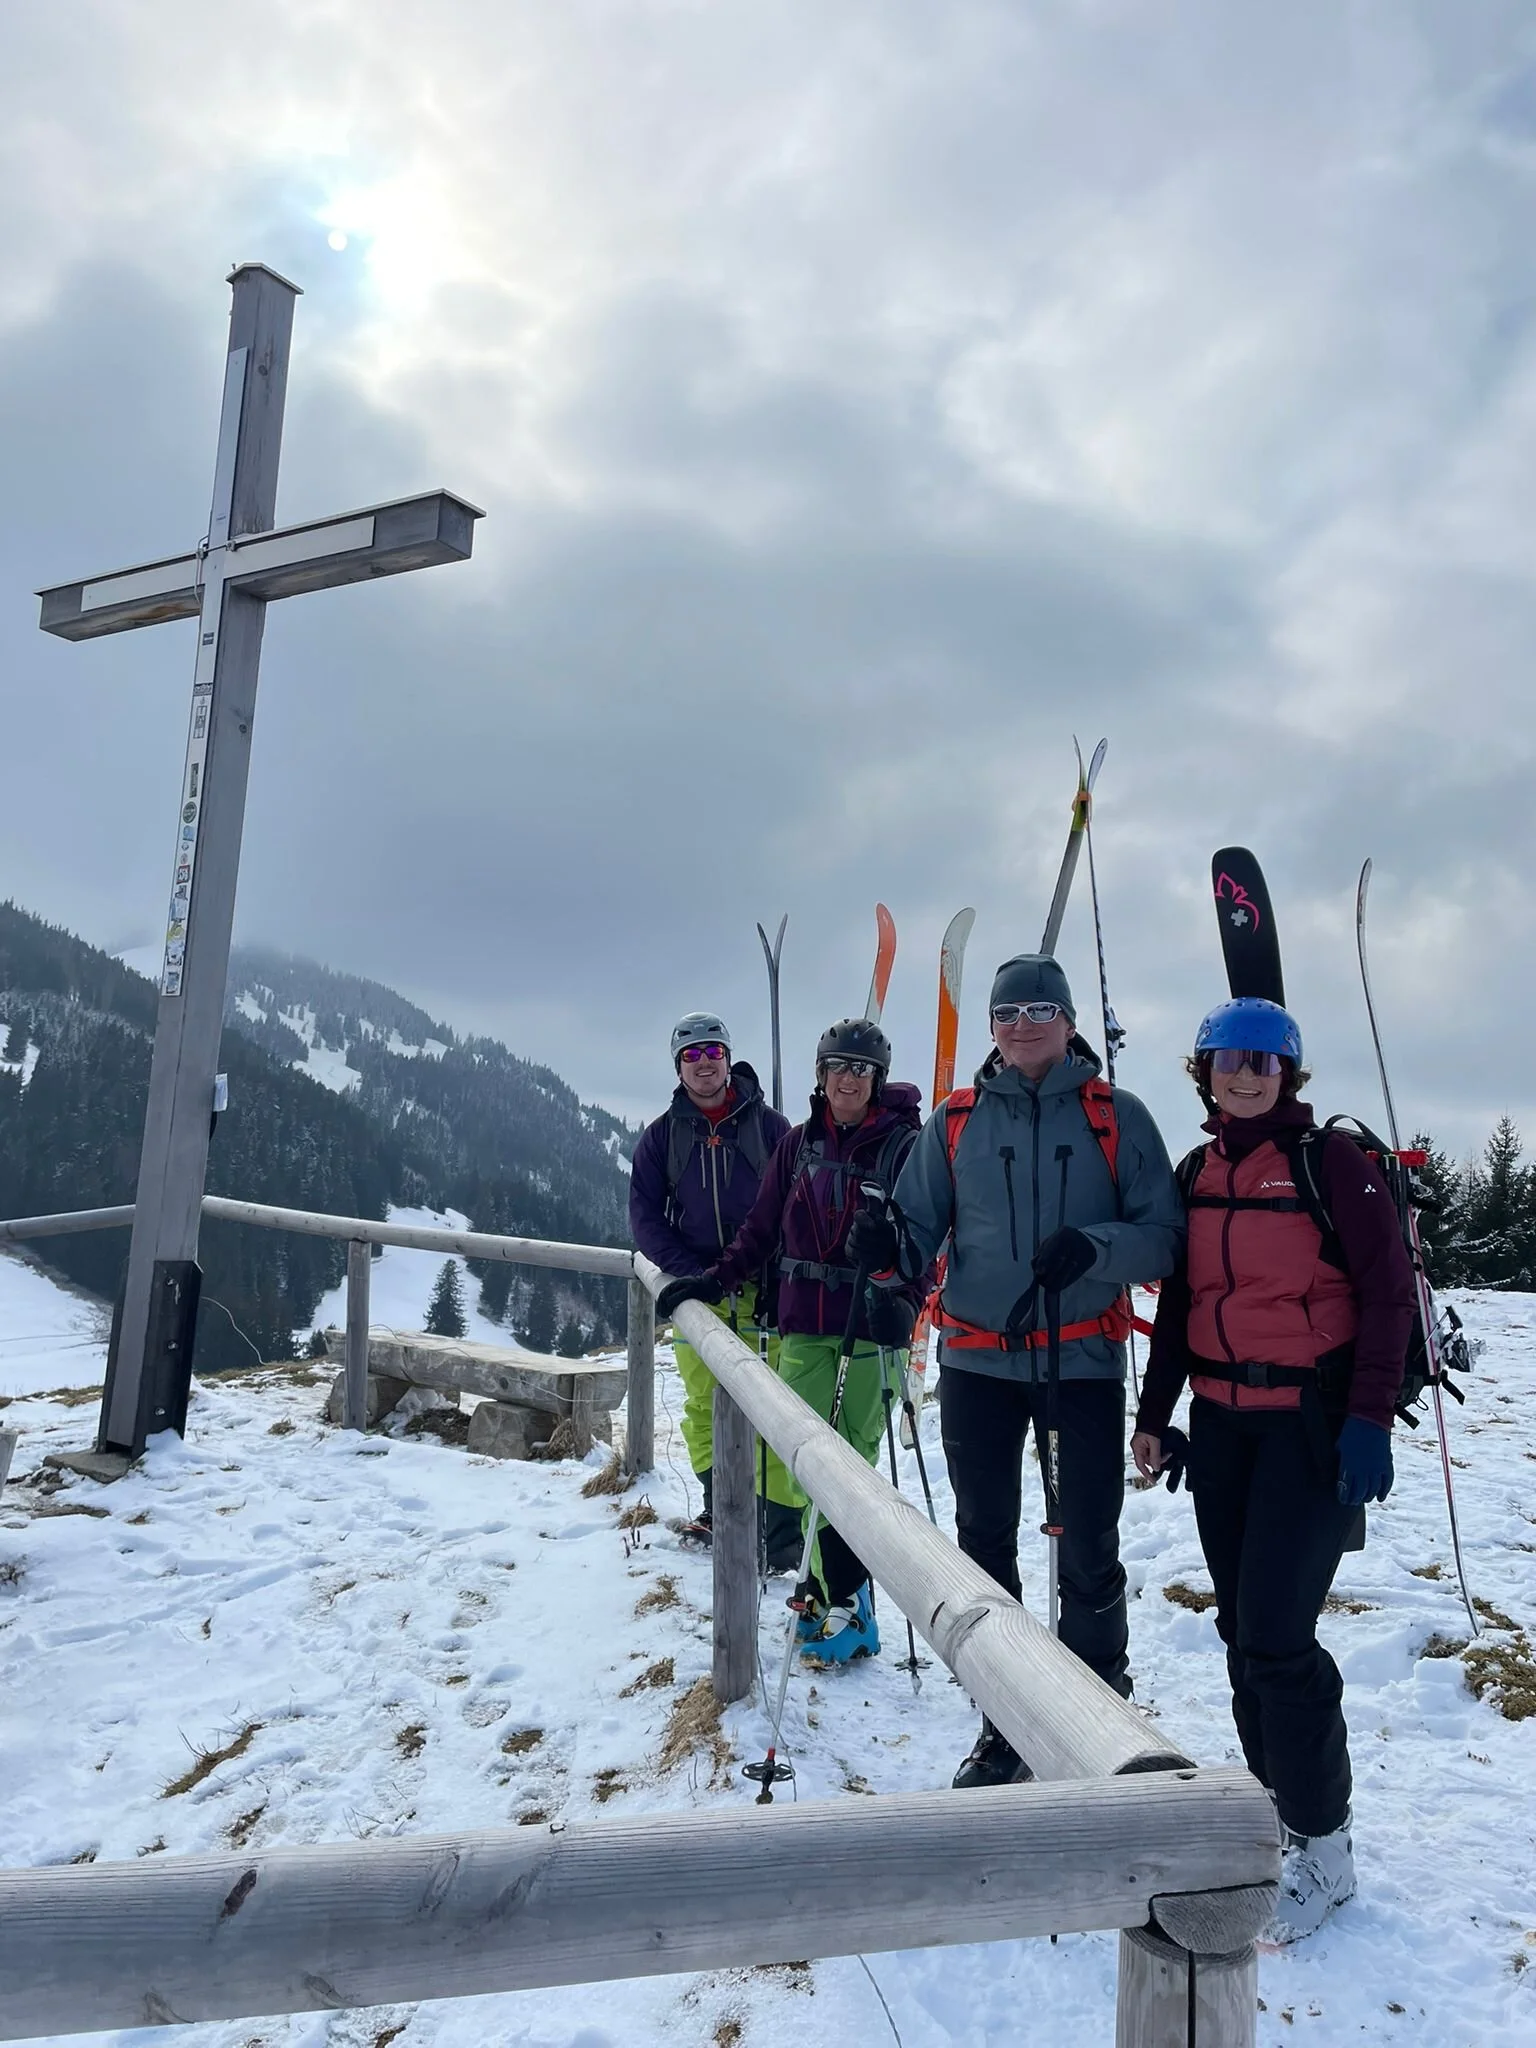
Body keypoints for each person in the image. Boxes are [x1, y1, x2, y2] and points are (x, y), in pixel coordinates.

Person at [851, 954, 1182, 1784]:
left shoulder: (1118, 1117)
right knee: (983, 1545)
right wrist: (888, 1253)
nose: (1024, 1024)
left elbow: (1166, 1237)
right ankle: (1007, 1723)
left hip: (1083, 1364)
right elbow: (918, 1233)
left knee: (1090, 1543)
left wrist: (1096, 1249)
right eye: (1007, 1013)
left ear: (1069, 1021)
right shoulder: (958, 1123)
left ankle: (1101, 1705)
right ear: (992, 1029)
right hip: (977, 1366)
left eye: (1041, 1009)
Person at [1131, 996, 1413, 1943]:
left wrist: (1368, 1420)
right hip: (1219, 1428)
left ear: (1288, 1072)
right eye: (1225, 1059)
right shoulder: (1197, 1168)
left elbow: (1385, 1298)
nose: (1243, 1073)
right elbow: (1179, 1305)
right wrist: (1156, 1415)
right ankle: (1275, 1810)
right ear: (1202, 1072)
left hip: (1309, 1426)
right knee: (1241, 1633)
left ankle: (1325, 1850)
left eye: (1262, 1059)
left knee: (1281, 1642)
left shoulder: (1332, 1165)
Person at [657, 1018, 928, 1665]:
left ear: (878, 1077)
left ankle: (850, 1605)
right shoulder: (801, 1146)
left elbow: (928, 1240)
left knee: (850, 1465)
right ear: (820, 1072)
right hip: (805, 1325)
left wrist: (897, 1278)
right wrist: (710, 1283)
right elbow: (759, 1231)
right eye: (836, 1066)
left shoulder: (906, 1147)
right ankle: (823, 1588)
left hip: (870, 1327)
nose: (846, 1079)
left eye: (859, 1069)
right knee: (806, 1463)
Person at [629, 1013, 792, 1551]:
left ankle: (777, 1530)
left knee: (773, 1406)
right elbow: (646, 1220)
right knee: (704, 1406)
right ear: (678, 1066)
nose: (704, 1063)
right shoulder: (662, 1138)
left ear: (728, 1058)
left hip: (764, 1289)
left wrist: (774, 1270)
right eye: (692, 1055)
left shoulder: (770, 1128)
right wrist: (697, 1276)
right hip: (699, 1296)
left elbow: (798, 1205)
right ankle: (720, 1507)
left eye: (713, 1052)